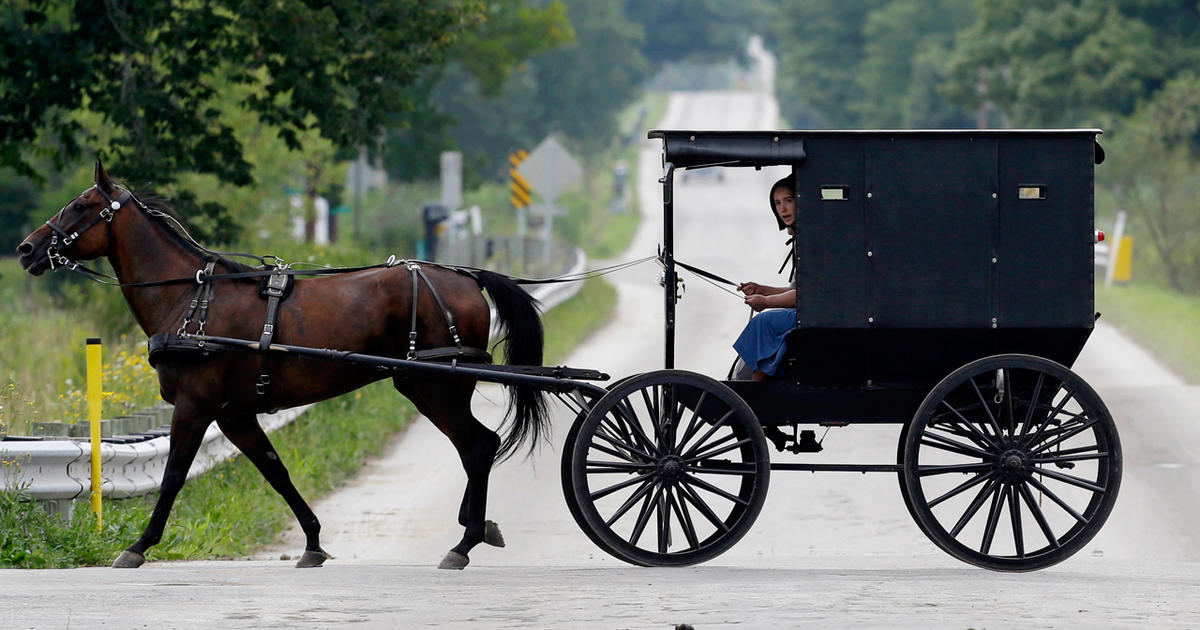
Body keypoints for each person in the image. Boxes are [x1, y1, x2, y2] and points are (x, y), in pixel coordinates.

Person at [733, 176, 797, 381]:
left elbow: (805, 296)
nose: (783, 209)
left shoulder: (814, 240)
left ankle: (749, 393)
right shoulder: (802, 239)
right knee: (766, 323)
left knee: (764, 322)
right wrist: (763, 290)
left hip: (817, 319)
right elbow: (795, 290)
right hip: (805, 315)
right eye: (777, 203)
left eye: (788, 200)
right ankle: (740, 385)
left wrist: (766, 302)